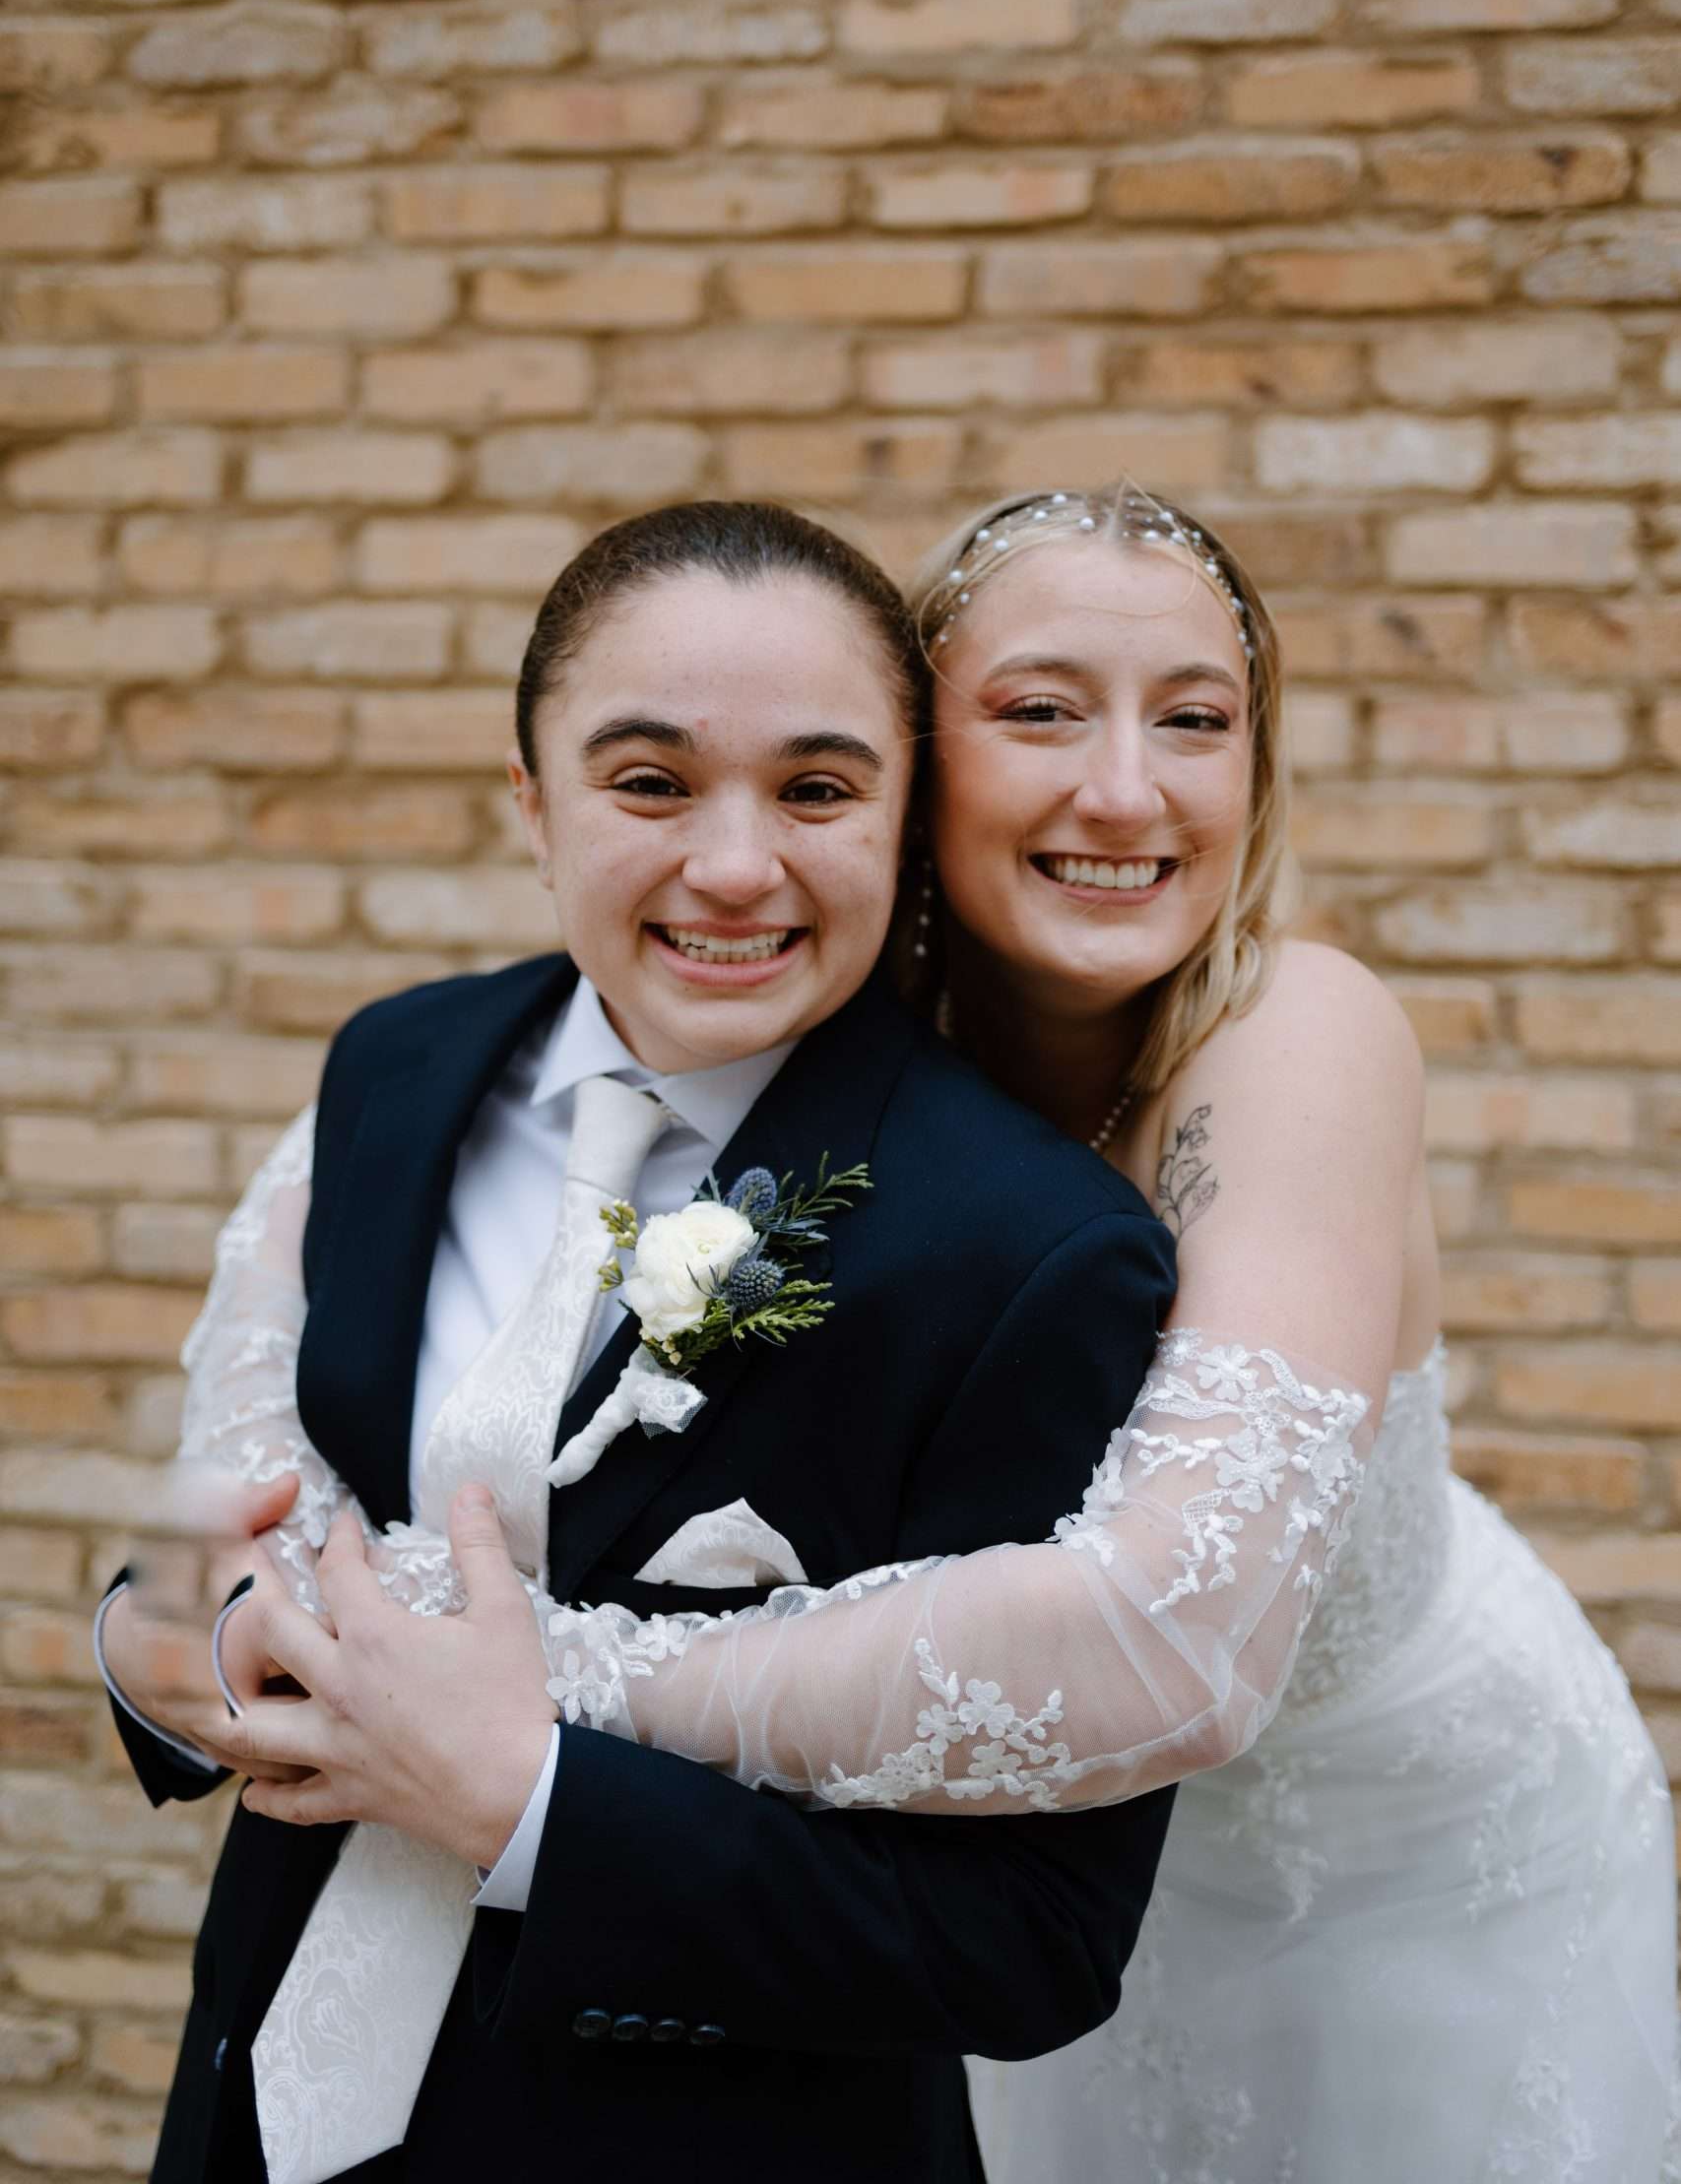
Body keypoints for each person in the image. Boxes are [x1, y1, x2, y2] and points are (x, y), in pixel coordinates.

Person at [359, 481, 1671, 2182]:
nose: (1124, 789)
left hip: (1402, 1871)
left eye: (1195, 720)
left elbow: (1177, 1624)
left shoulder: (1301, 1040)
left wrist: (546, 1685)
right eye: (1041, 711)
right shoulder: (849, 1052)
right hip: (1031, 1867)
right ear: (913, 760)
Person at [97, 500, 1182, 2184]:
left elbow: (1036, 1937)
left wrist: (526, 1804)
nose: (734, 866)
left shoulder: (1036, 1252)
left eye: (817, 790)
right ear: (530, 805)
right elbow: (245, 1448)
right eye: (651, 783)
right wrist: (154, 1640)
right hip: (248, 2096)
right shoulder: (396, 1064)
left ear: (903, 823)